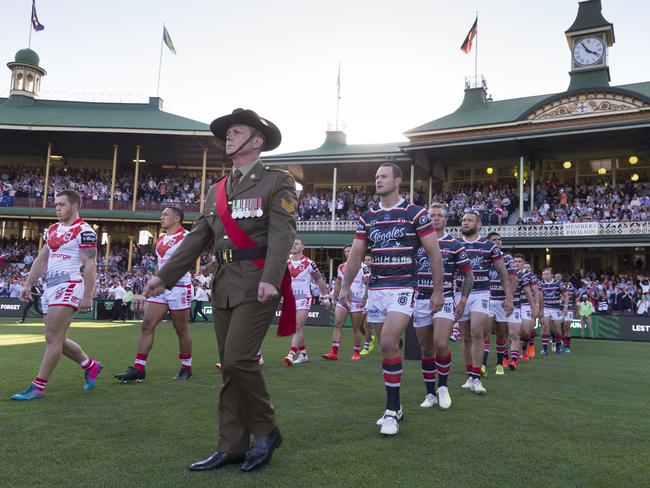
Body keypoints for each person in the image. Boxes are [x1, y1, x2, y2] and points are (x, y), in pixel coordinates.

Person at [143, 108, 297, 472]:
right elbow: (197, 239)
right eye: (227, 132)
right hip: (225, 283)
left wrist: (271, 279)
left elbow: (282, 233)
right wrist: (163, 276)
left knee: (239, 359)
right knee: (229, 368)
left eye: (237, 131)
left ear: (256, 141)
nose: (228, 136)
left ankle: (266, 429)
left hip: (258, 279)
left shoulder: (277, 181)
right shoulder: (217, 190)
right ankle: (230, 444)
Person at [340, 162, 444, 436]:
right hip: (376, 289)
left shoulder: (415, 213)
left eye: (383, 176)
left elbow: (434, 253)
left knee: (388, 341)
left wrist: (437, 290)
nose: (378, 180)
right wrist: (345, 286)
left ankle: (391, 410)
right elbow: (356, 254)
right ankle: (395, 407)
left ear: (398, 181)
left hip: (403, 287)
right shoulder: (368, 216)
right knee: (387, 350)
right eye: (376, 176)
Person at [11, 189, 103, 400]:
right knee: (58, 339)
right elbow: (42, 259)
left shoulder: (85, 231)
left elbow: (90, 264)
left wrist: (88, 295)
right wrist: (27, 284)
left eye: (62, 205)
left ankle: (38, 386)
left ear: (75, 206)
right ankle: (91, 366)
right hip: (50, 287)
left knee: (52, 337)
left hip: (69, 284)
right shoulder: (52, 229)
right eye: (56, 205)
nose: (57, 209)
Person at [114, 207, 194, 382]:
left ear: (177, 218)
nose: (162, 217)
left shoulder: (187, 237)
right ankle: (138, 368)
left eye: (166, 214)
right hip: (161, 288)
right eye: (161, 214)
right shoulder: (162, 238)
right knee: (147, 325)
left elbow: (186, 263)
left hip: (179, 286)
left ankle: (186, 367)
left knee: (180, 330)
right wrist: (157, 281)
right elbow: (160, 264)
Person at [413, 203, 472, 410]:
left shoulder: (455, 245)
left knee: (440, 344)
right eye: (432, 215)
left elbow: (468, 275)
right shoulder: (416, 243)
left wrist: (462, 301)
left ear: (445, 220)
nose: (435, 218)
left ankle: (444, 387)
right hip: (420, 300)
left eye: (439, 215)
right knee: (427, 349)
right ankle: (430, 394)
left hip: (445, 298)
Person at [457, 212, 512, 395]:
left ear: (478, 224)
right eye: (463, 220)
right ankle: (469, 375)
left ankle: (477, 378)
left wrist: (509, 296)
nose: (465, 223)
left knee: (477, 332)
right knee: (465, 337)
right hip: (459, 293)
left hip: (481, 293)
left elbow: (503, 273)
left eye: (469, 220)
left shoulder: (490, 246)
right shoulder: (456, 245)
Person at [284, 238, 331, 366]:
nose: (293, 245)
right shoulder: (286, 262)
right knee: (298, 329)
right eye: (292, 243)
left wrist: (325, 297)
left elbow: (319, 280)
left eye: (297, 243)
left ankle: (291, 353)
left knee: (297, 326)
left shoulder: (309, 263)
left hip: (304, 298)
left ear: (303, 247)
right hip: (290, 299)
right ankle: (303, 354)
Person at [324, 244, 369, 361]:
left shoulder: (363, 267)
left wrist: (365, 298)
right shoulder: (341, 267)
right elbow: (338, 283)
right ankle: (333, 352)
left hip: (356, 301)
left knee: (356, 328)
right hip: (342, 300)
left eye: (350, 251)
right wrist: (334, 298)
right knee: (337, 324)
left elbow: (367, 283)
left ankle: (356, 353)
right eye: (346, 251)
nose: (348, 253)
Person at [485, 232, 518, 375]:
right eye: (494, 240)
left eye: (499, 239)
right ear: (489, 242)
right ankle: (483, 365)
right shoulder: (484, 256)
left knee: (501, 334)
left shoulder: (507, 258)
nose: (497, 242)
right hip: (487, 299)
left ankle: (499, 364)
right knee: (485, 333)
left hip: (501, 301)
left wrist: (509, 297)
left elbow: (513, 280)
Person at [513, 255, 539, 362]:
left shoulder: (529, 275)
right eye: (515, 261)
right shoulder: (511, 273)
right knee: (516, 331)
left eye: (519, 261)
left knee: (526, 331)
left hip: (526, 305)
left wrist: (536, 305)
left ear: (523, 262)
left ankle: (525, 348)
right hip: (515, 305)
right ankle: (515, 354)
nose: (516, 263)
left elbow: (536, 291)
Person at [540, 268, 567, 356]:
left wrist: (565, 306)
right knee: (545, 327)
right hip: (545, 308)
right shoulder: (541, 283)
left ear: (552, 275)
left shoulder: (558, 283)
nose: (546, 275)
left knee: (557, 331)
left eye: (548, 274)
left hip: (556, 308)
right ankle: (545, 349)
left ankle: (559, 344)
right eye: (545, 273)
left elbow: (566, 295)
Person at [359, 254, 376, 355]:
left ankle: (366, 346)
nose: (367, 261)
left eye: (369, 260)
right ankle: (370, 338)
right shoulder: (360, 270)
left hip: (372, 300)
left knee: (366, 324)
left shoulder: (375, 272)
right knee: (360, 326)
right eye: (365, 260)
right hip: (362, 300)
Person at [560, 273, 577, 353]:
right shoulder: (559, 288)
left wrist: (575, 310)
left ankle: (567, 346)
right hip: (559, 310)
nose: (564, 284)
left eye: (565, 282)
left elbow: (576, 300)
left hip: (569, 309)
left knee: (567, 326)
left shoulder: (573, 289)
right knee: (559, 328)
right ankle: (560, 342)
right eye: (563, 282)